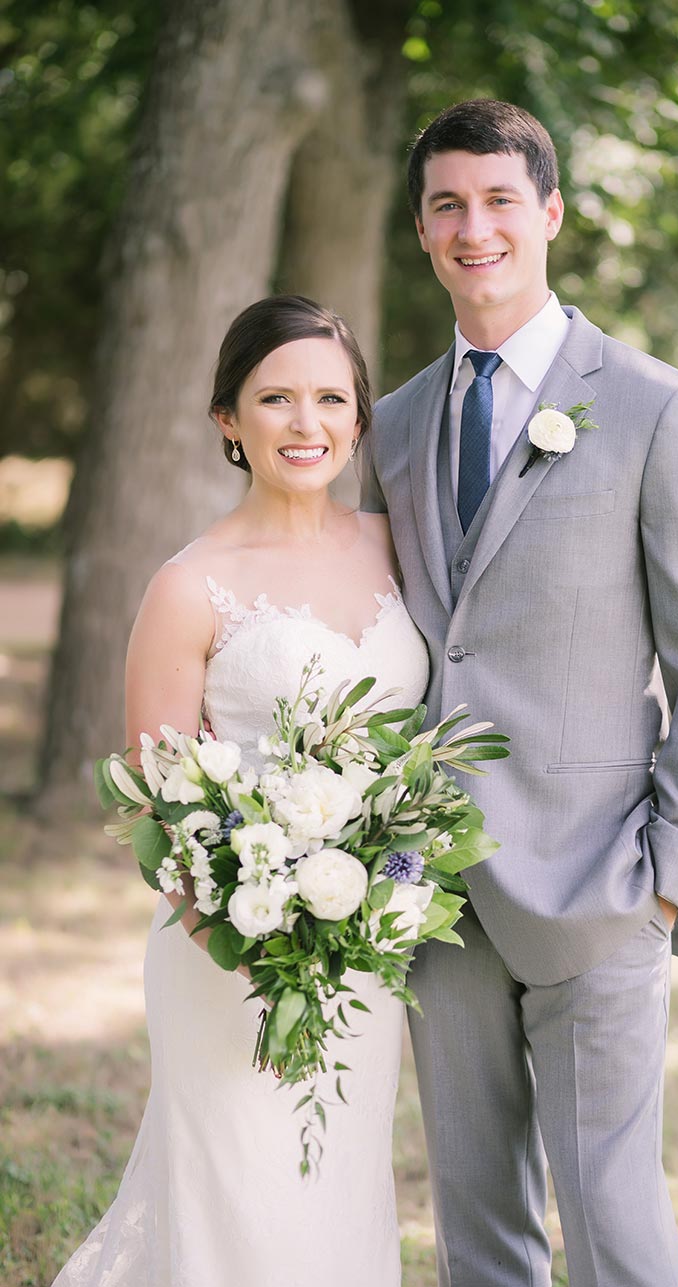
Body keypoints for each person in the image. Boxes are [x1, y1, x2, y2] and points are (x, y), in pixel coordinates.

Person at [361, 99, 678, 1287]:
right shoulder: (387, 426)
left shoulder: (655, 408)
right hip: (436, 894)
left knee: (614, 1226)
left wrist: (670, 881)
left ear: (549, 213)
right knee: (478, 1227)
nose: (472, 227)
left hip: (602, 883)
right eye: (446, 205)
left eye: (496, 200)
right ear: (423, 231)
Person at [53, 294, 429, 1287]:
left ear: (358, 417)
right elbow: (154, 799)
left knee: (338, 1197)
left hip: (369, 945)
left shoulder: (401, 548)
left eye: (331, 399)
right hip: (231, 949)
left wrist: (371, 904)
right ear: (229, 418)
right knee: (241, 1208)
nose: (307, 426)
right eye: (276, 399)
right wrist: (254, 940)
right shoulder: (191, 584)